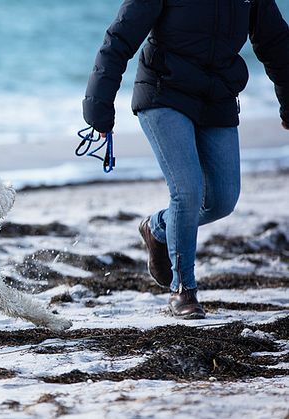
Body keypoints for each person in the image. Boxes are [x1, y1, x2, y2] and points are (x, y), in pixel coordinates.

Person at [83, 0, 289, 319]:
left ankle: (158, 229)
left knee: (222, 200)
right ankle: (184, 290)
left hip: (216, 97)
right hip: (163, 92)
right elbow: (120, 37)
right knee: (187, 191)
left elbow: (276, 44)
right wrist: (98, 105)